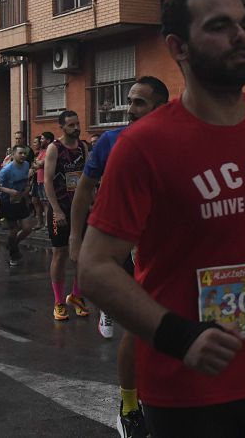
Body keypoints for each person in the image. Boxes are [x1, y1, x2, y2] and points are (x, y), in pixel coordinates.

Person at [79, 0, 245, 437]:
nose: (240, 35)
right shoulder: (143, 146)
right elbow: (95, 266)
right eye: (220, 26)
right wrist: (179, 337)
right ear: (178, 47)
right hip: (185, 393)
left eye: (243, 24)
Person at [68, 76, 168, 438]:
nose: (130, 108)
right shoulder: (111, 141)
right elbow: (83, 189)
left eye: (139, 102)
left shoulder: (172, 141)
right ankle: (129, 406)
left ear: (160, 106)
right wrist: (77, 238)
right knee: (139, 328)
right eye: (130, 100)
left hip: (164, 248)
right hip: (119, 246)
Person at [43, 110, 89, 321]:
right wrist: (57, 210)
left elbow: (89, 177)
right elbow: (47, 181)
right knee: (60, 254)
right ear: (61, 127)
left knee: (82, 254)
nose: (76, 128)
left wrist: (94, 202)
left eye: (77, 124)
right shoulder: (55, 149)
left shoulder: (83, 147)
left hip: (80, 208)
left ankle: (77, 296)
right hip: (60, 207)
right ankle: (58, 301)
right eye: (71, 125)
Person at [0, 146, 33, 267]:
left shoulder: (26, 165)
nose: (23, 155)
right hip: (7, 201)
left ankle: (12, 244)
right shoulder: (7, 169)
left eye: (24, 153)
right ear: (13, 155)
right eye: (20, 153)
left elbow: (26, 180)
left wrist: (27, 187)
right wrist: (9, 191)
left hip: (20, 199)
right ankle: (13, 255)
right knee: (14, 229)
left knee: (27, 228)